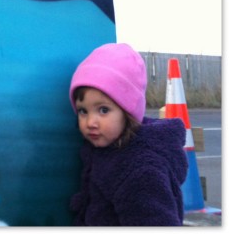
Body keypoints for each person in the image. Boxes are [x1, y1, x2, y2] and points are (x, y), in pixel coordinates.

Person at [68, 42, 188, 226]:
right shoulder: (107, 148)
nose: (90, 122)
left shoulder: (140, 171)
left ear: (128, 111)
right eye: (83, 111)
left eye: (103, 110)